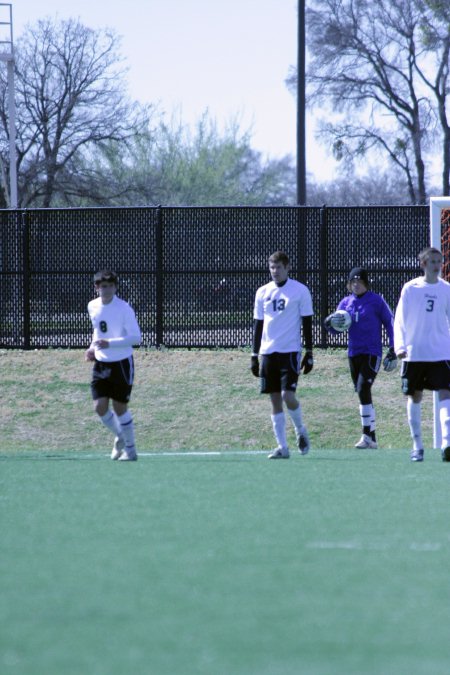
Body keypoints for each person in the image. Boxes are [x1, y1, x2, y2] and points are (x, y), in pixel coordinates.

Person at [325, 267, 397, 449]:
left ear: (366, 283)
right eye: (353, 282)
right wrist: (328, 324)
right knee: (362, 391)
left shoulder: (376, 301)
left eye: (360, 281)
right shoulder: (345, 303)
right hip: (353, 352)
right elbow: (336, 328)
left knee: (363, 387)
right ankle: (372, 438)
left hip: (372, 352)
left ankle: (366, 435)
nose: (356, 284)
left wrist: (393, 347)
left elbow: (390, 323)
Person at [250, 251, 314, 459]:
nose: (274, 271)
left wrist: (309, 352)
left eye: (278, 267)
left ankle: (300, 430)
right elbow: (258, 325)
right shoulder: (262, 292)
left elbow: (306, 323)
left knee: (288, 396)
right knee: (275, 399)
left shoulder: (300, 291)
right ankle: (282, 447)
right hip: (268, 352)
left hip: (290, 351)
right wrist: (254, 355)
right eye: (271, 267)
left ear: (287, 268)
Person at [394, 247, 450, 462]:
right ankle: (417, 445)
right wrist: (400, 346)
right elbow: (399, 318)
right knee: (415, 396)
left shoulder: (446, 289)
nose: (437, 265)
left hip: (441, 352)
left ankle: (447, 443)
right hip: (415, 352)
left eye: (439, 261)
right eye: (432, 261)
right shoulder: (411, 288)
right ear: (423, 264)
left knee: (445, 393)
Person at [85, 270, 141, 461]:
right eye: (103, 286)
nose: (106, 289)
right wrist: (92, 348)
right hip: (101, 364)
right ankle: (120, 436)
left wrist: (110, 343)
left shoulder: (124, 308)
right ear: (96, 287)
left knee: (119, 408)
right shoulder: (92, 306)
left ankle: (131, 451)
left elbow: (136, 337)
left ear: (115, 287)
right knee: (99, 407)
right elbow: (97, 331)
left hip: (121, 364)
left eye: (110, 286)